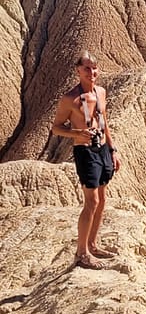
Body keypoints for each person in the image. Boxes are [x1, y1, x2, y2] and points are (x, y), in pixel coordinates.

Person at [50, 50, 122, 269]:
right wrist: (76, 133)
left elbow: (104, 122)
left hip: (101, 149)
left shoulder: (101, 92)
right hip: (85, 151)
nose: (92, 72)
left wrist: (113, 149)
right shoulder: (70, 98)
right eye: (87, 68)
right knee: (91, 202)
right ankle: (81, 253)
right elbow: (56, 128)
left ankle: (92, 243)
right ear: (78, 71)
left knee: (102, 198)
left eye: (94, 68)